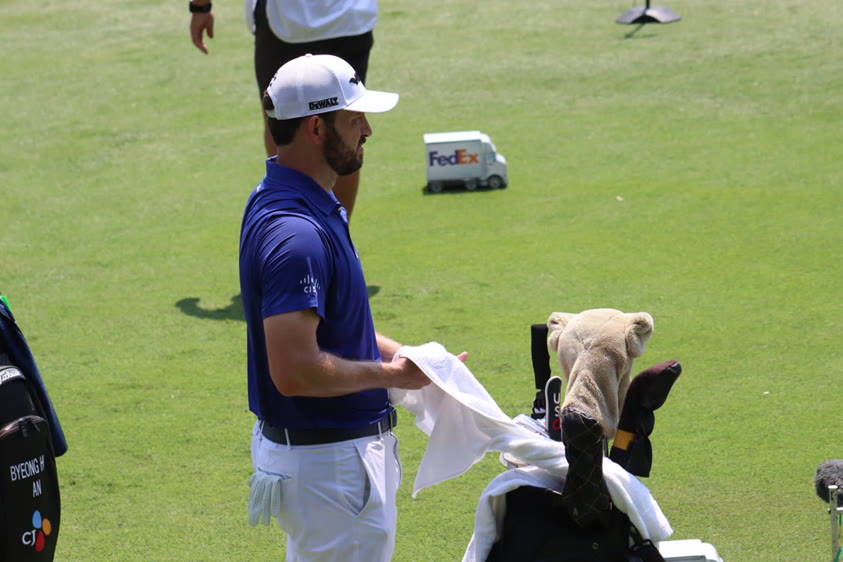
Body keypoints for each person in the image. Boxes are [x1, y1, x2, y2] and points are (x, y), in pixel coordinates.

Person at [239, 54, 464, 562]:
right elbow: (295, 370)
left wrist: (403, 356)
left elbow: (334, 328)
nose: (367, 131)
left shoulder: (294, 200)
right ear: (317, 127)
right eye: (354, 118)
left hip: (326, 460)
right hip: (331, 467)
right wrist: (393, 375)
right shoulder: (296, 234)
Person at [189, 0, 379, 218]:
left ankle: (307, 224)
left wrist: (201, 6)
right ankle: (332, 231)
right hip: (349, 18)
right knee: (346, 124)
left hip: (287, 22)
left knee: (285, 120)